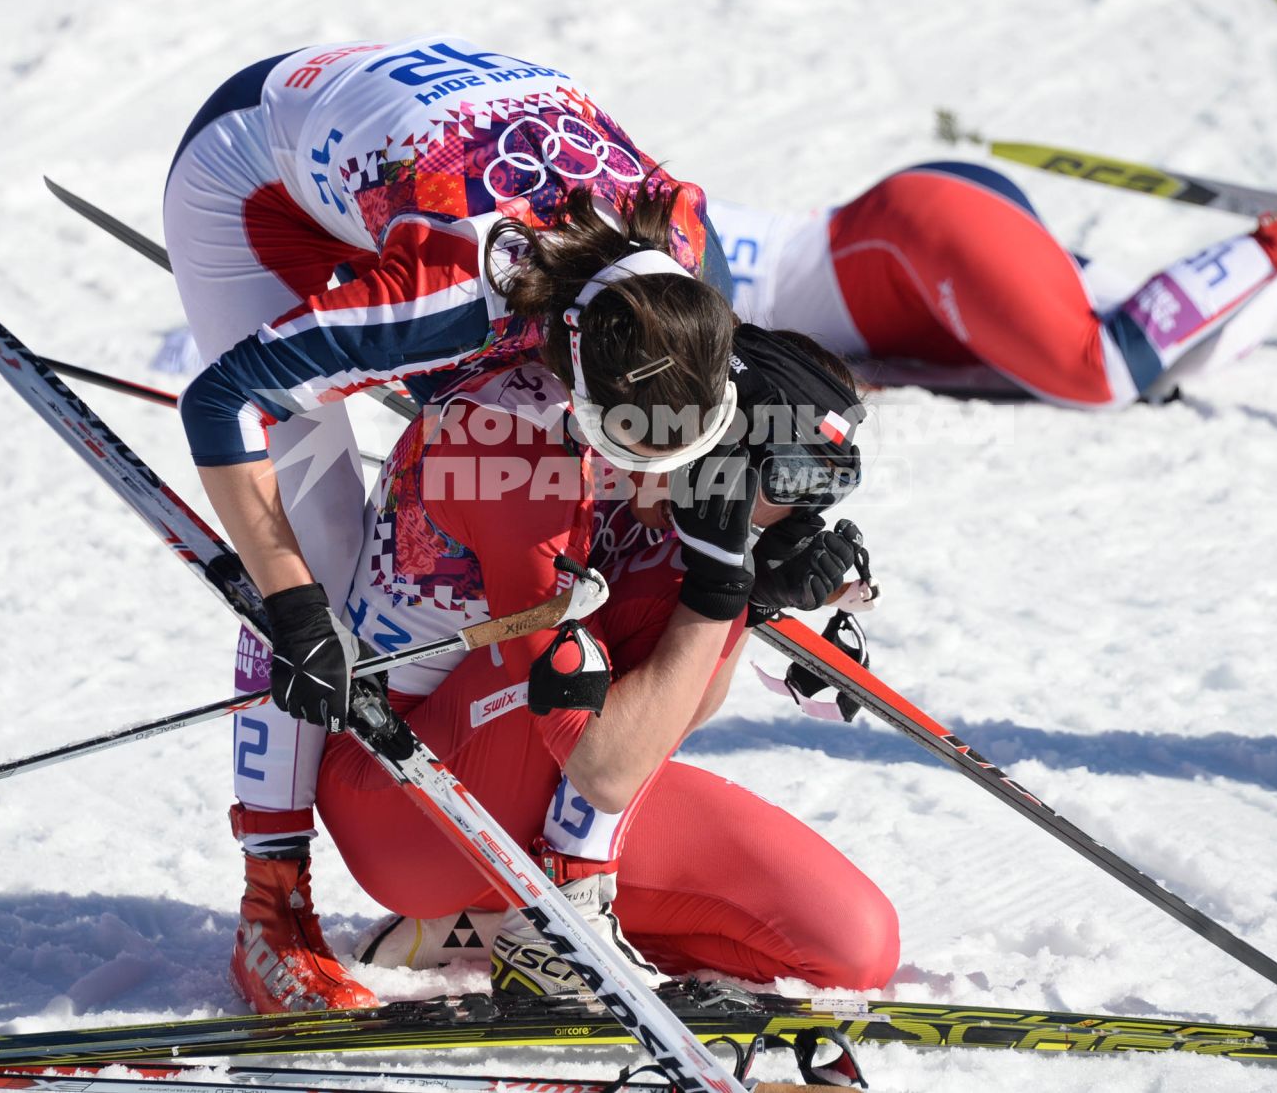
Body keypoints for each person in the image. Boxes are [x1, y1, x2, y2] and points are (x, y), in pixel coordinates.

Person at [162, 35, 742, 1013]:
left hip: (422, 150)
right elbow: (216, 404)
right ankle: (272, 907)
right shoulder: (441, 293)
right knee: (322, 547)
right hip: (250, 176)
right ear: (564, 343)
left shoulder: (686, 244)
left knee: (502, 423)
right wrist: (292, 597)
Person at [318, 303, 896, 994]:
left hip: (521, 780)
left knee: (853, 945)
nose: (802, 512)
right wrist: (717, 584)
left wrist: (745, 595)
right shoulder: (543, 458)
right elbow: (609, 771)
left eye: (827, 488)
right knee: (670, 587)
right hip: (402, 797)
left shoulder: (658, 486)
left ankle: (487, 925)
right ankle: (563, 914)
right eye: (795, 478)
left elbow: (674, 715)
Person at [709, 160, 1277, 405]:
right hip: (919, 248)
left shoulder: (618, 250)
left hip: (910, 245)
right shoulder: (627, 214)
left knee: (1099, 369)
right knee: (1166, 360)